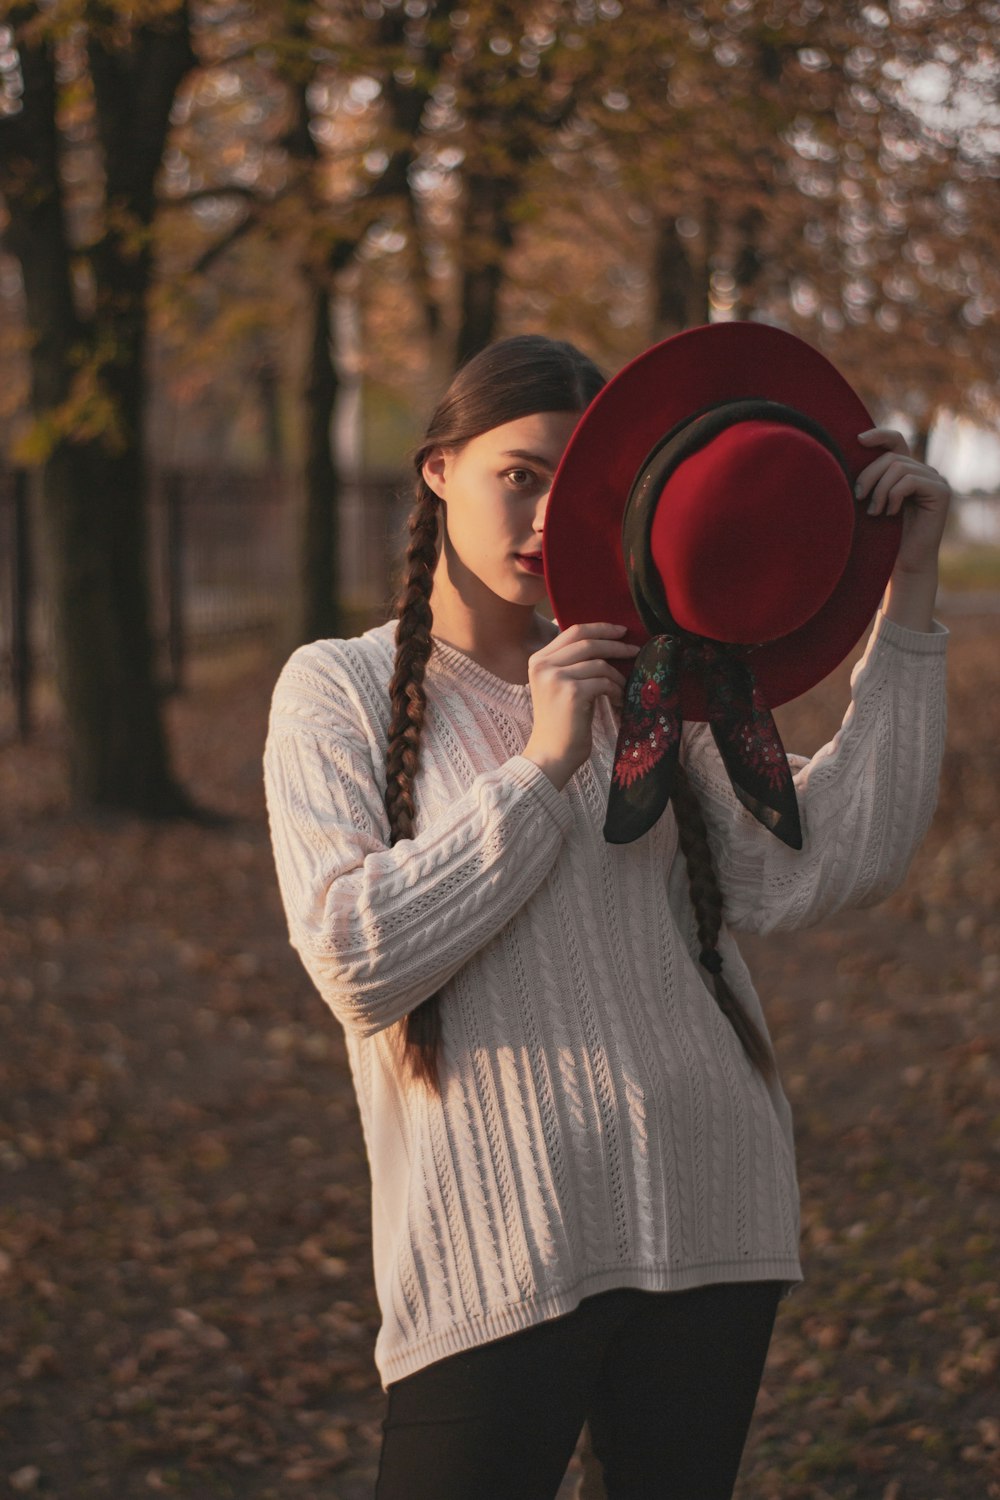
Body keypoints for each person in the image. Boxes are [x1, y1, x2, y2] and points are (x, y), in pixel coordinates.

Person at [263, 328, 950, 1500]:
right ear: (438, 469)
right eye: (517, 476)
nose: (542, 518)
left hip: (712, 1205)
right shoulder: (337, 688)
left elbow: (812, 868)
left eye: (573, 484)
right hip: (497, 1244)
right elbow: (354, 959)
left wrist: (910, 589)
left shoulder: (653, 673)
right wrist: (538, 768)